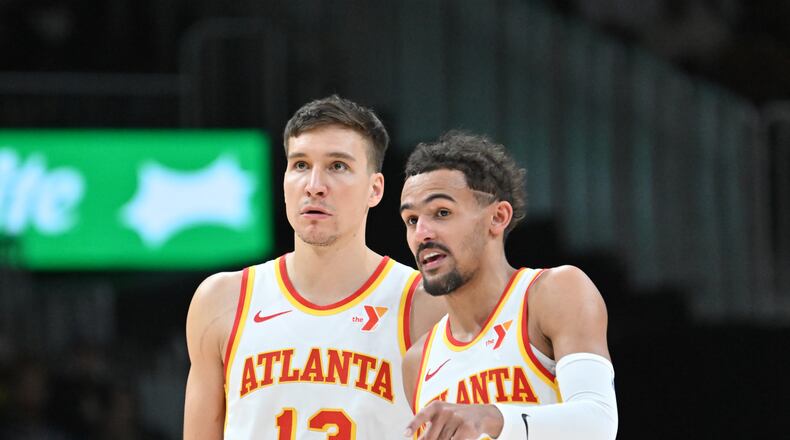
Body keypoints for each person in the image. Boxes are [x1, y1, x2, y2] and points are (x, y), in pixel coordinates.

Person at [183, 95, 445, 439]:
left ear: (375, 189)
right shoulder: (222, 301)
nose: (314, 186)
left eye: (338, 166)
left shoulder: (425, 306)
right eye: (301, 165)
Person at [399, 131, 618, 440]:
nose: (422, 233)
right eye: (411, 220)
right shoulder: (418, 361)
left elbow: (598, 423)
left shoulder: (553, 292)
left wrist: (493, 417)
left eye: (442, 213)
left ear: (498, 217)